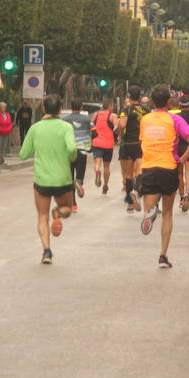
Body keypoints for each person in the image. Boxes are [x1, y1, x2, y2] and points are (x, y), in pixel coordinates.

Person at [138, 85, 189, 268]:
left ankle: (150, 212)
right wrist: (182, 158)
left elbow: (144, 141)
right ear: (168, 102)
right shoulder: (174, 119)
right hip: (169, 168)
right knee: (168, 213)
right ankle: (163, 255)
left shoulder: (145, 119)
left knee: (149, 205)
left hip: (149, 167)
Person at [19, 94, 77, 265]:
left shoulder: (35, 128)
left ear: (43, 108)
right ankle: (58, 213)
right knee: (67, 209)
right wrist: (71, 157)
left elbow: (23, 154)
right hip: (63, 180)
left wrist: (36, 150)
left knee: (42, 216)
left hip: (42, 180)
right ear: (60, 109)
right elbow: (72, 148)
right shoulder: (66, 127)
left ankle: (46, 252)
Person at [118, 85, 149, 212]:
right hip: (141, 144)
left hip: (127, 144)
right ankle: (136, 191)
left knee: (128, 174)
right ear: (140, 97)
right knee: (140, 171)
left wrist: (120, 135)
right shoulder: (146, 110)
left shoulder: (126, 109)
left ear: (128, 96)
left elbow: (122, 124)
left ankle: (130, 203)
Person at [62, 99, 92, 212]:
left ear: (70, 106)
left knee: (69, 178)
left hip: (69, 152)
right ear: (81, 107)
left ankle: (73, 204)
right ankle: (79, 182)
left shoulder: (64, 120)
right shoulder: (87, 119)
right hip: (82, 151)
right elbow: (95, 132)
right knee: (79, 176)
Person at [91, 99, 118, 194]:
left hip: (97, 142)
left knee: (97, 162)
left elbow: (91, 126)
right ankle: (105, 185)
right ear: (109, 106)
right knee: (107, 166)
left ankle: (97, 171)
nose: (113, 107)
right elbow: (116, 128)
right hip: (108, 144)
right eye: (112, 105)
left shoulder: (96, 115)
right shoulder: (112, 115)